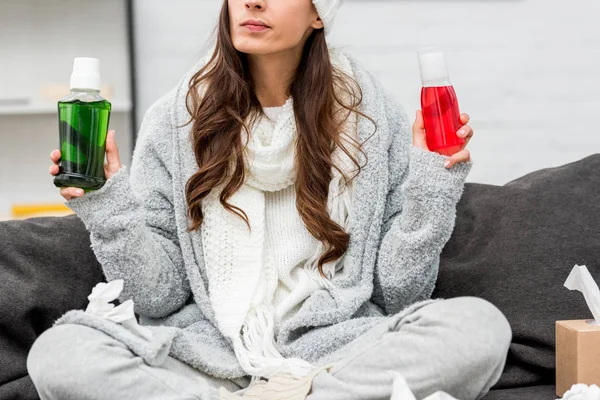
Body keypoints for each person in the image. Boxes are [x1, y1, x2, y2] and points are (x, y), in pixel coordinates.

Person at [28, 0, 512, 399]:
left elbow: (397, 293)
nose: (252, 2)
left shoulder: (370, 116)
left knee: (477, 328)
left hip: (333, 356)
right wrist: (106, 204)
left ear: (318, 14)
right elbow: (159, 296)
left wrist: (434, 181)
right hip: (211, 357)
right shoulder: (175, 122)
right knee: (61, 353)